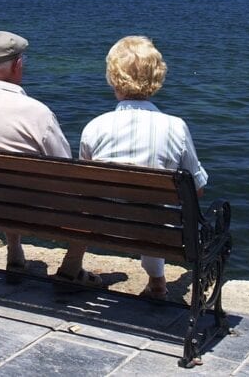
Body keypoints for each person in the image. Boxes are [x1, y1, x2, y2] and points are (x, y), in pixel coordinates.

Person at [0, 30, 101, 287]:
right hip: (31, 210)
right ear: (18, 65)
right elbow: (65, 167)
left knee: (2, 179)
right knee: (92, 193)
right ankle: (71, 267)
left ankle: (15, 253)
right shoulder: (37, 112)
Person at [79, 36, 208, 300]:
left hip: (104, 225)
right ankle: (157, 280)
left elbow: (85, 185)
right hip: (156, 229)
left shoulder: (95, 127)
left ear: (112, 78)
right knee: (155, 209)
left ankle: (73, 266)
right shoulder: (176, 127)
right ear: (157, 78)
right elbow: (197, 189)